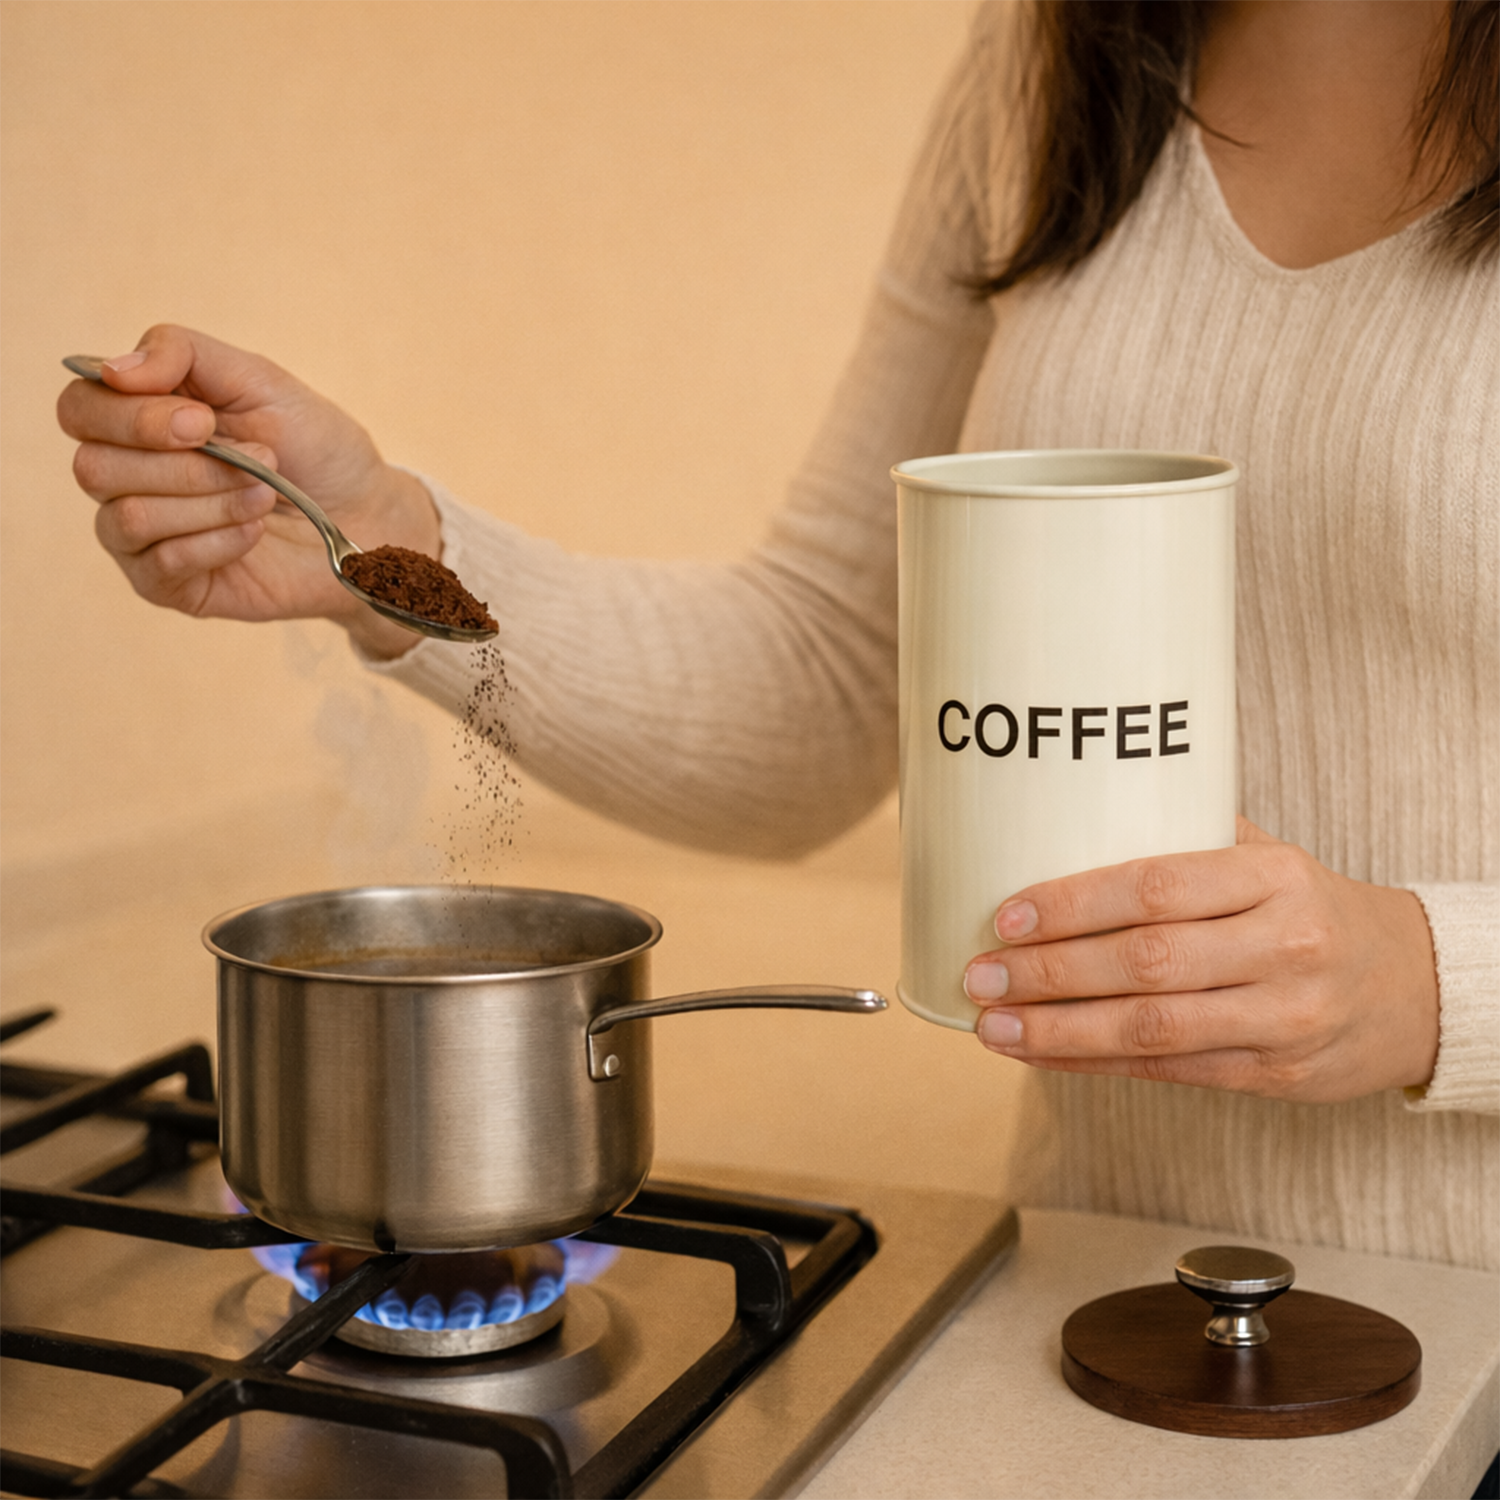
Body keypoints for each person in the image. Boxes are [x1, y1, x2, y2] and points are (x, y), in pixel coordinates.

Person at [57, 0, 1497, 1287]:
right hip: (1109, 1301)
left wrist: (1427, 983)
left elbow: (1422, 977)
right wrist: (383, 546)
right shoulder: (1055, 56)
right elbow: (832, 675)